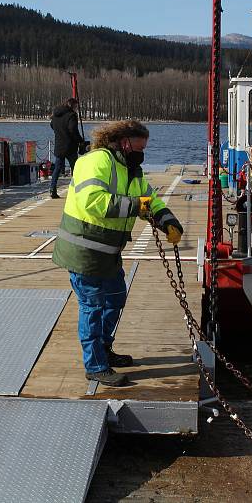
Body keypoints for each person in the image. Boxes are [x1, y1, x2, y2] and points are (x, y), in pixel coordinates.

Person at [51, 120, 184, 386]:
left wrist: (168, 220)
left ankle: (104, 349)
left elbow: (150, 199)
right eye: (139, 146)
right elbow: (94, 201)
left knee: (115, 299)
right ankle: (95, 365)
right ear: (124, 142)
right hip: (84, 251)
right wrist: (138, 206)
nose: (143, 152)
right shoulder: (95, 161)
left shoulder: (131, 169)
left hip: (109, 253)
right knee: (93, 307)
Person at [49, 98, 85, 199]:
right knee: (76, 168)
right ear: (73, 106)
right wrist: (80, 140)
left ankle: (52, 189)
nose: (77, 109)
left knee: (57, 168)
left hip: (59, 145)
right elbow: (73, 129)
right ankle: (77, 189)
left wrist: (59, 132)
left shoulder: (56, 114)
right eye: (76, 107)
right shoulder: (71, 115)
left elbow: (52, 125)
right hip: (70, 146)